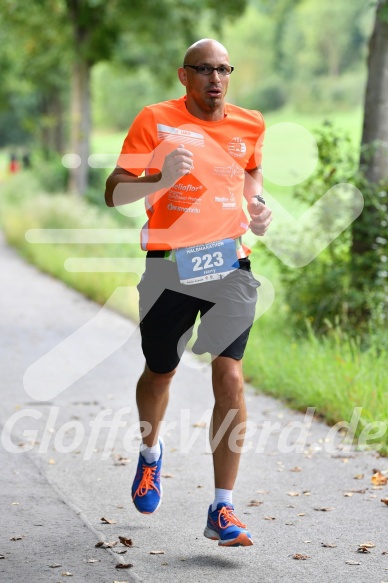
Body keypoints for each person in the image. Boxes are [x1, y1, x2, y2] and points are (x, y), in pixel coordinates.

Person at [105, 38, 272, 547]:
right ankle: (151, 456)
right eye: (204, 70)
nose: (215, 79)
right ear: (184, 76)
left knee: (231, 376)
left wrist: (259, 206)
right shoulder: (154, 119)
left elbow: (250, 175)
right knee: (161, 372)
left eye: (223, 69)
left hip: (231, 264)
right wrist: (157, 177)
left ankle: (222, 508)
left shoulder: (250, 123)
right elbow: (115, 191)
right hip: (169, 267)